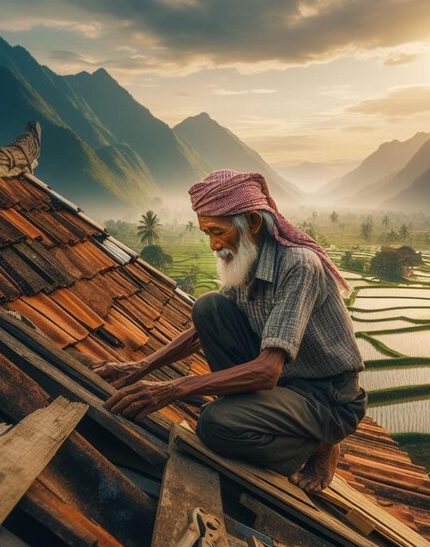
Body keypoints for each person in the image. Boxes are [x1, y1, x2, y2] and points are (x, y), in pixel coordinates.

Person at [100, 169, 367, 491]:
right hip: (284, 382)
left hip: (325, 396)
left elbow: (267, 372)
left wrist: (171, 389)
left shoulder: (298, 264)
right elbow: (201, 331)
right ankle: (259, 412)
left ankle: (321, 443)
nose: (213, 245)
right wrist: (139, 368)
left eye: (218, 231)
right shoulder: (246, 259)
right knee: (208, 307)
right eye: (206, 234)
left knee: (214, 425)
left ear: (253, 223)